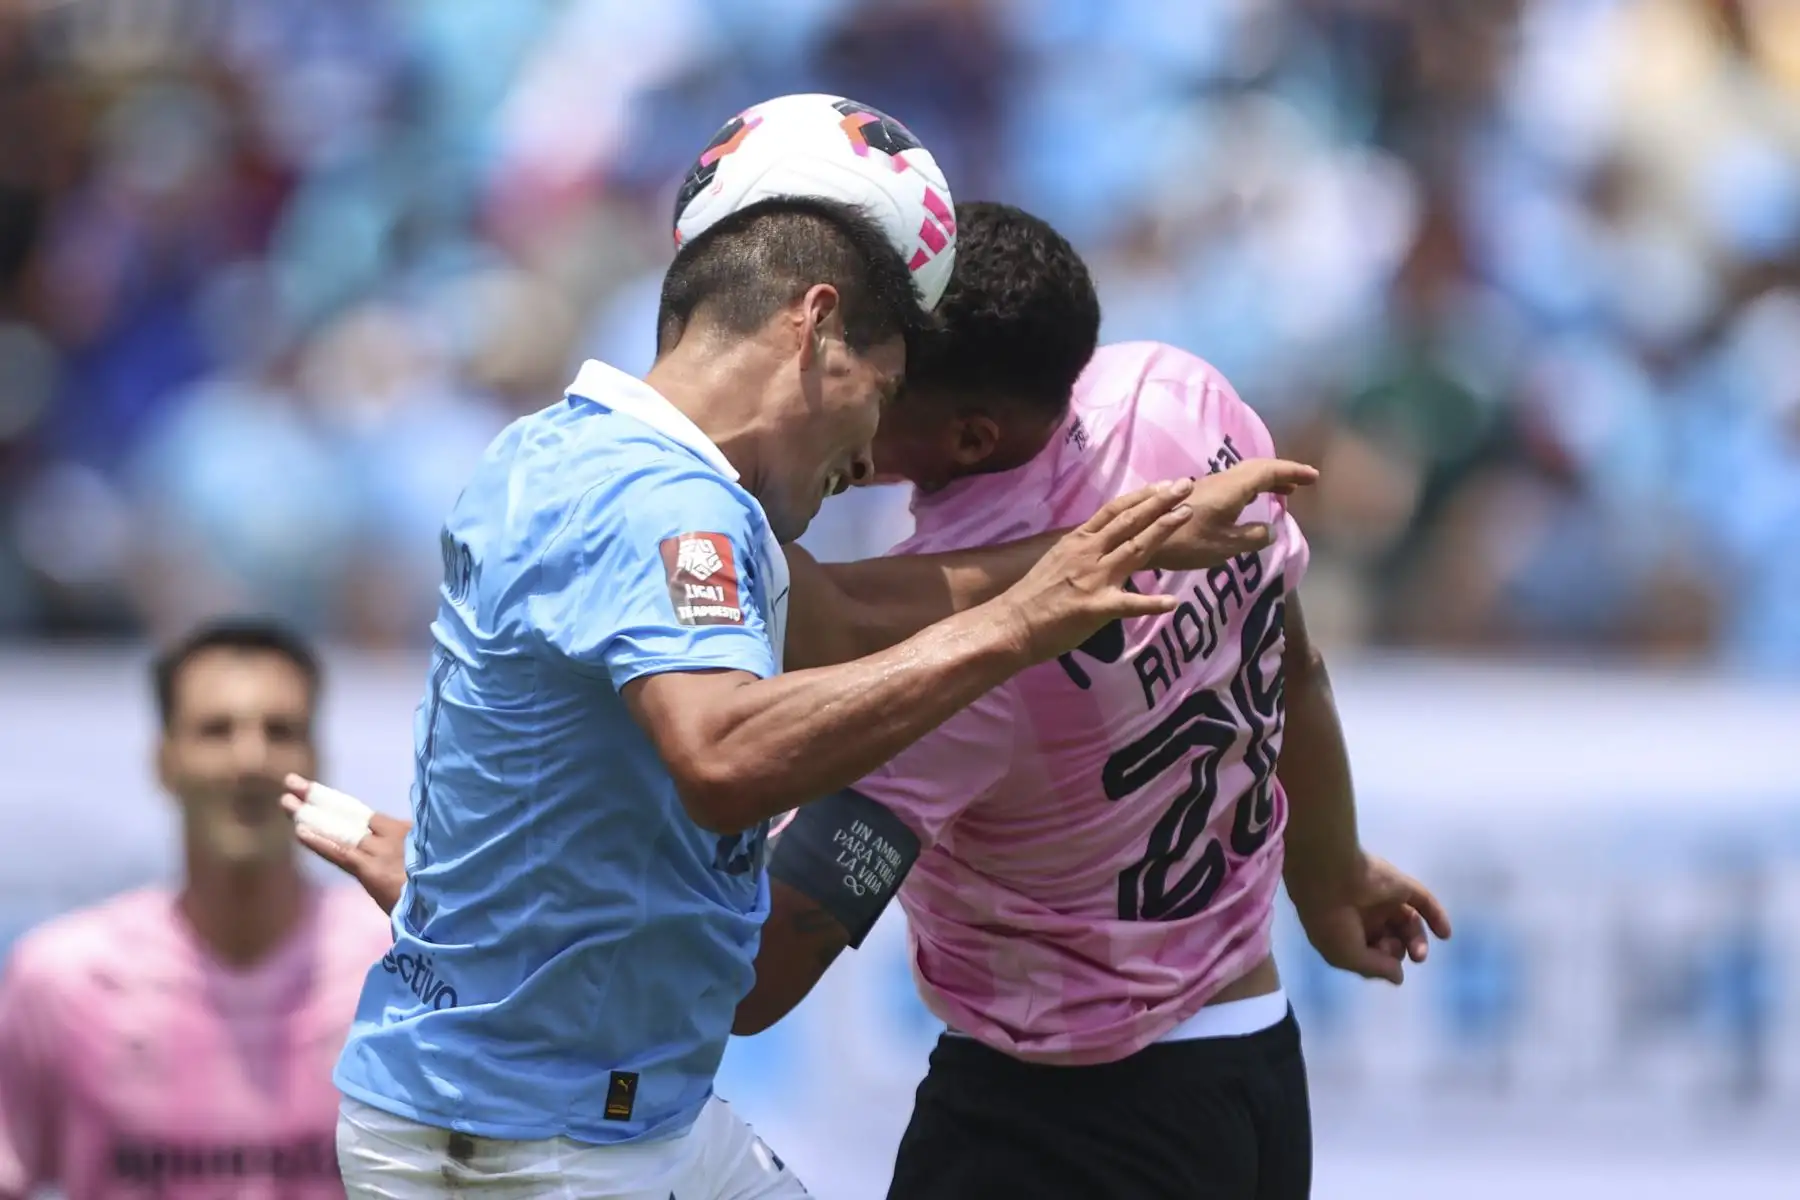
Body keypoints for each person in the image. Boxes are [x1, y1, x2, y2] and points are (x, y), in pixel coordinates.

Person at [289, 202, 1437, 1200]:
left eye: (874, 384)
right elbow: (1292, 656)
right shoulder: (1187, 404)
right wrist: (1330, 872)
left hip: (1061, 1123)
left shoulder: (949, 684)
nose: (841, 417)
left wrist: (493, 904)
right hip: (1253, 1067)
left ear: (963, 432)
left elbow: (764, 974)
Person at [0, 618, 393, 1200]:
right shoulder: (60, 978)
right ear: (165, 761)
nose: (250, 760)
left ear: (316, 757)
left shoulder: (396, 972)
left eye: (279, 730)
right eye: (216, 730)